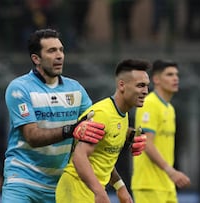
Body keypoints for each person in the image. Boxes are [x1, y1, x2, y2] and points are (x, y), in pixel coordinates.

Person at [2, 28, 106, 203]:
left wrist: (128, 134)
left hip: (60, 184)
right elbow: (32, 137)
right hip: (22, 180)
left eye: (61, 50)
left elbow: (98, 128)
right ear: (36, 59)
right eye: (51, 51)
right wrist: (72, 130)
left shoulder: (76, 89)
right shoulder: (19, 88)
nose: (59, 55)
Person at [56, 59, 150, 203]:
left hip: (89, 190)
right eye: (140, 86)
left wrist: (120, 187)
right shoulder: (103, 114)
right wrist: (100, 193)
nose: (145, 91)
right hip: (76, 189)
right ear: (122, 85)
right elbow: (79, 157)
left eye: (146, 86)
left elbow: (102, 159)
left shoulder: (122, 116)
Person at [131, 59, 191, 203]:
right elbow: (147, 143)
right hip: (149, 185)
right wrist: (171, 171)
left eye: (176, 75)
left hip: (167, 185)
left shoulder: (170, 109)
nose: (175, 78)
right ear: (156, 79)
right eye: (169, 74)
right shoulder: (149, 104)